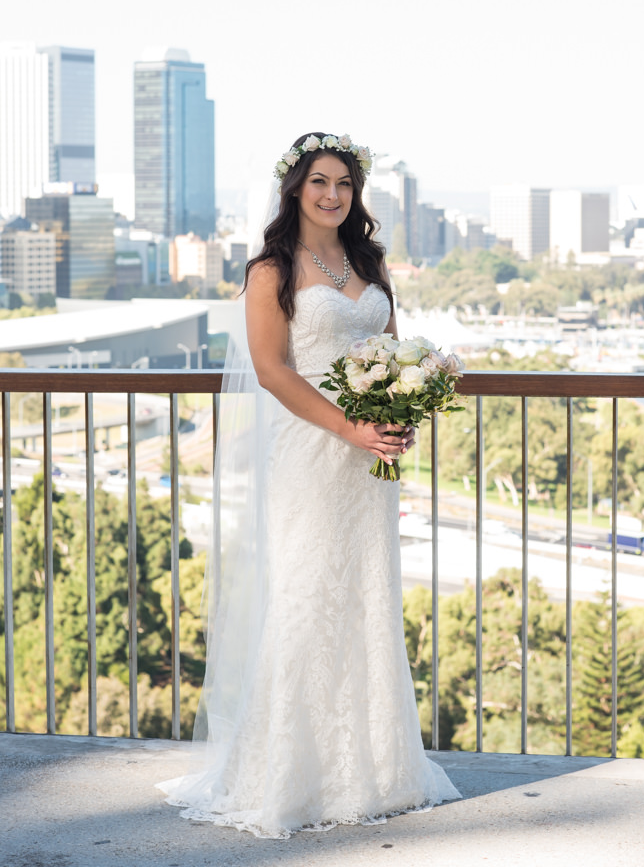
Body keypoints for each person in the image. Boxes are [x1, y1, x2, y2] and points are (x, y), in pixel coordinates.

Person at [158, 132, 461, 837]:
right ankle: (285, 777)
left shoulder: (367, 259)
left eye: (344, 185)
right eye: (320, 181)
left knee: (367, 595)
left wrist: (395, 412)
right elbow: (272, 370)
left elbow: (391, 350)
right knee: (305, 596)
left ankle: (376, 771)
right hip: (309, 449)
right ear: (295, 187)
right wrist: (349, 427)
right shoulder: (271, 269)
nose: (332, 195)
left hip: (367, 460)